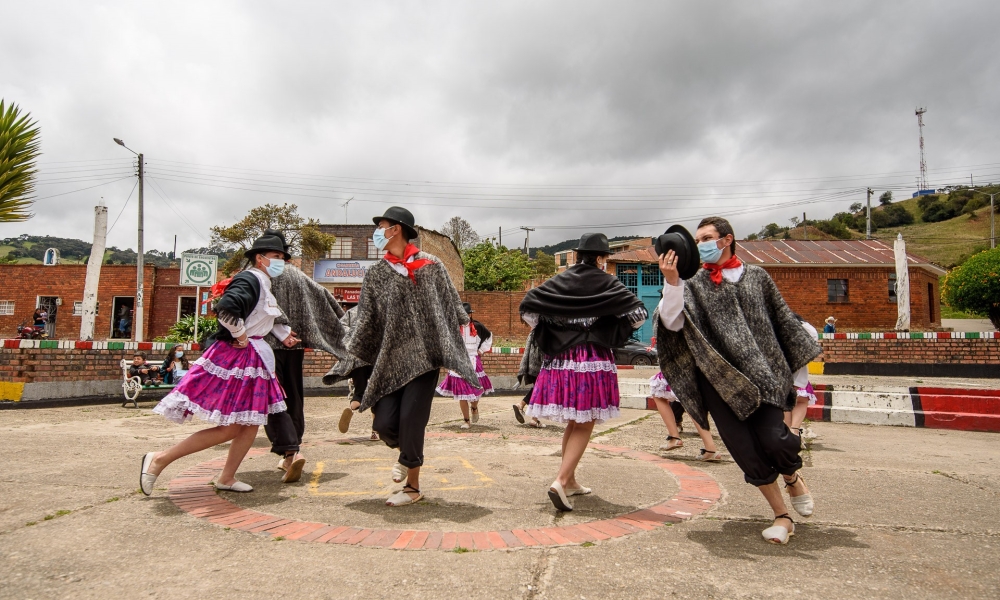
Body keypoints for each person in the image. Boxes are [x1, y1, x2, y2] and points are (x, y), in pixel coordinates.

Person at [655, 218, 821, 544]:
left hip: (765, 378)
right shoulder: (693, 283)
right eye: (698, 238)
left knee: (776, 440)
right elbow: (671, 323)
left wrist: (795, 376)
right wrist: (672, 282)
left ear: (726, 239)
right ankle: (781, 516)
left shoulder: (758, 277)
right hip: (719, 384)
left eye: (707, 237)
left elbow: (783, 323)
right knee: (746, 452)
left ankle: (792, 477)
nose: (700, 243)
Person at [323, 207, 479, 507]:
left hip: (424, 358)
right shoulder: (377, 274)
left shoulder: (432, 265)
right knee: (383, 424)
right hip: (389, 360)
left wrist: (456, 334)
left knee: (411, 420)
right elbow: (366, 319)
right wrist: (347, 352)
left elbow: (449, 304)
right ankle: (407, 455)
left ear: (396, 229)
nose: (377, 232)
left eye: (381, 226)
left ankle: (412, 486)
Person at [138, 231, 300, 496]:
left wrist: (282, 334)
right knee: (233, 426)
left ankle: (227, 476)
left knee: (250, 423)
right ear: (260, 259)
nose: (281, 260)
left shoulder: (263, 282)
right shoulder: (251, 278)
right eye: (276, 256)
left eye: (282, 256)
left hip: (254, 358)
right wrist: (242, 336)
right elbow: (226, 309)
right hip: (239, 358)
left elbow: (256, 318)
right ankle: (159, 459)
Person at [520, 233, 647, 512]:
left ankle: (572, 480)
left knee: (573, 422)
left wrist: (556, 330)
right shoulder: (608, 283)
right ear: (602, 258)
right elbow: (639, 315)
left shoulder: (559, 281)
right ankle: (561, 481)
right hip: (592, 359)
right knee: (585, 420)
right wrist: (606, 327)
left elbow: (528, 310)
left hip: (560, 361)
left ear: (578, 255)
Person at [263, 233, 351, 484]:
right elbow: (324, 297)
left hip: (265, 347)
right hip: (294, 347)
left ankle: (290, 450)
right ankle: (293, 449)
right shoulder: (296, 275)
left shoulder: (257, 275)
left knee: (272, 398)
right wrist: (339, 324)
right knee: (294, 397)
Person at [649, 356, 723, 461]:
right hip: (698, 362)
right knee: (691, 402)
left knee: (658, 391)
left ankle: (675, 437)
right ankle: (710, 448)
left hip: (679, 361)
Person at [436, 302, 494, 429]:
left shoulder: (478, 327)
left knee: (476, 388)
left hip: (473, 359)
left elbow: (489, 337)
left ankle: (474, 407)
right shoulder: (454, 328)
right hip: (459, 360)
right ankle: (466, 420)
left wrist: (481, 350)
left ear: (469, 315)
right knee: (461, 391)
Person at [785, 315, 819, 443]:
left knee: (787, 402)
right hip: (798, 371)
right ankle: (794, 430)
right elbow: (814, 336)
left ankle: (788, 432)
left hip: (782, 370)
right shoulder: (804, 329)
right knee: (800, 401)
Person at [512, 328, 545, 428]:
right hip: (540, 365)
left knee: (538, 390)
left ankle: (522, 406)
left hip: (531, 364)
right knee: (541, 390)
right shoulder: (545, 330)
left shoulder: (534, 330)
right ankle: (533, 418)